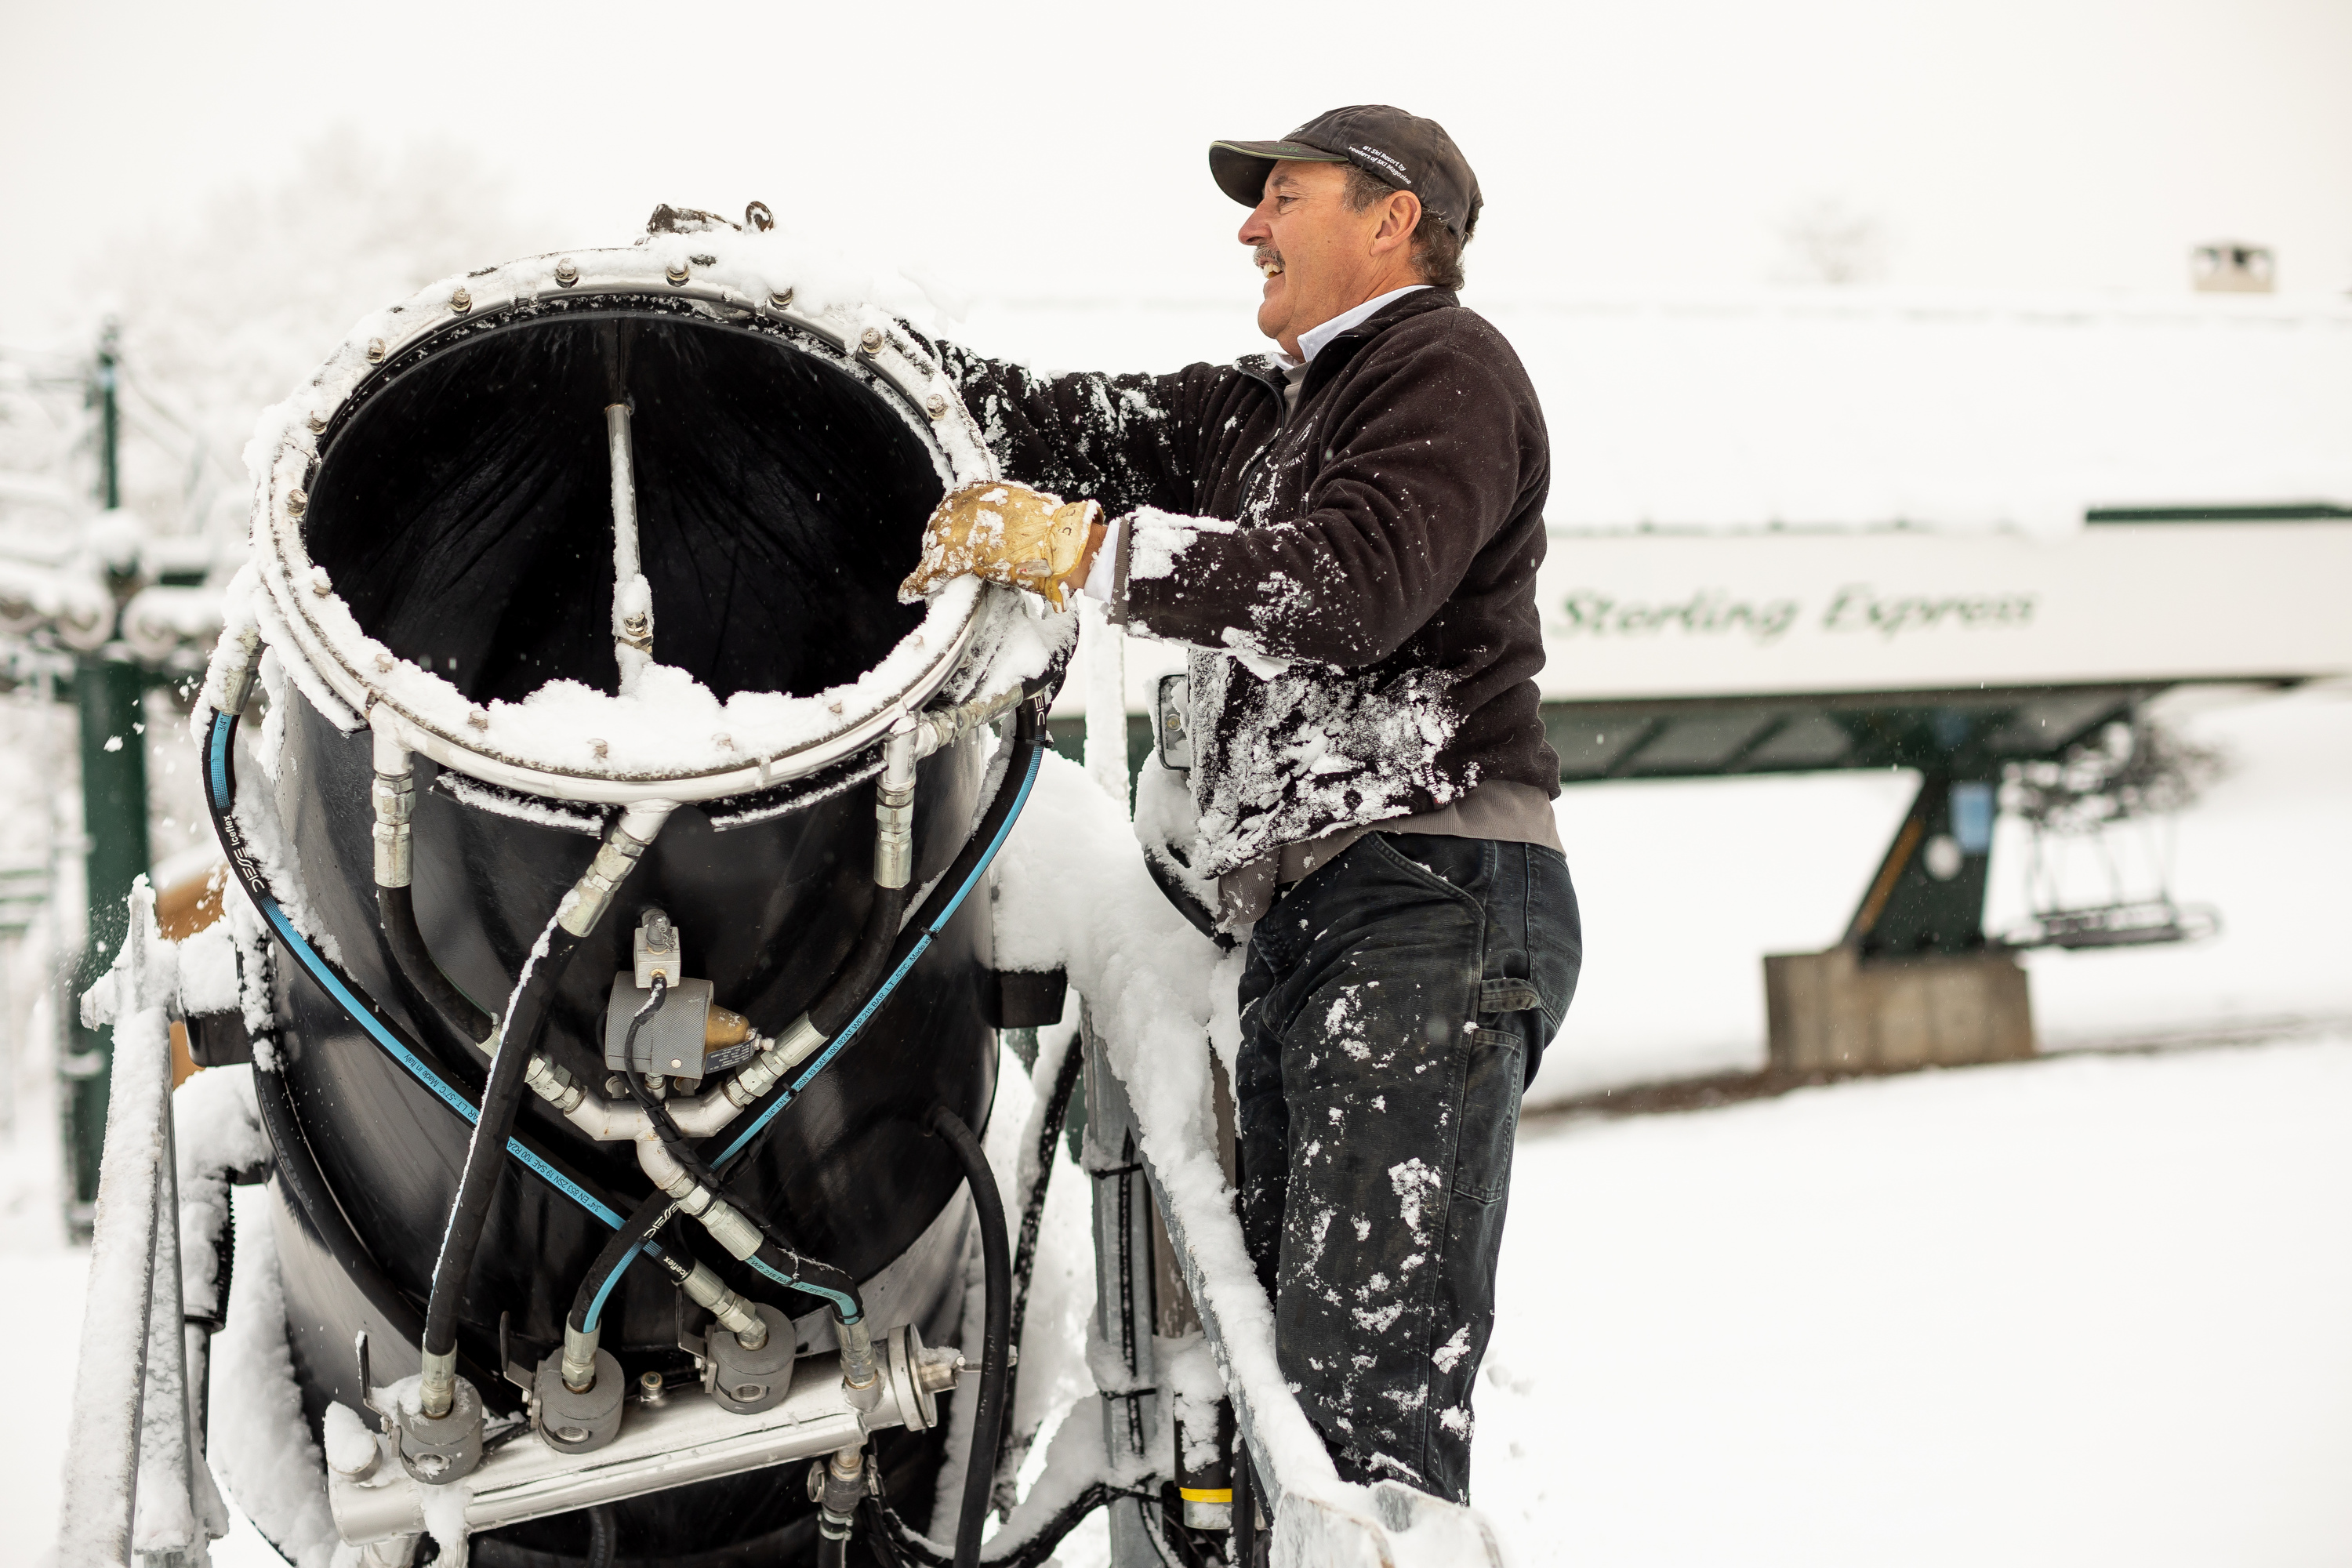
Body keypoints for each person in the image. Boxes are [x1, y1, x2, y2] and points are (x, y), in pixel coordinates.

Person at [900, 104, 1581, 1506]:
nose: (1248, 225)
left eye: (1285, 193)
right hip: (1316, 916)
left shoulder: (1443, 366)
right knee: (1286, 1392)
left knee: (1359, 1394)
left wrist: (1084, 550)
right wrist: (830, 338)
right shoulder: (1260, 414)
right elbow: (1038, 414)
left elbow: (1349, 589)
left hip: (1430, 897)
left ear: (1394, 219)